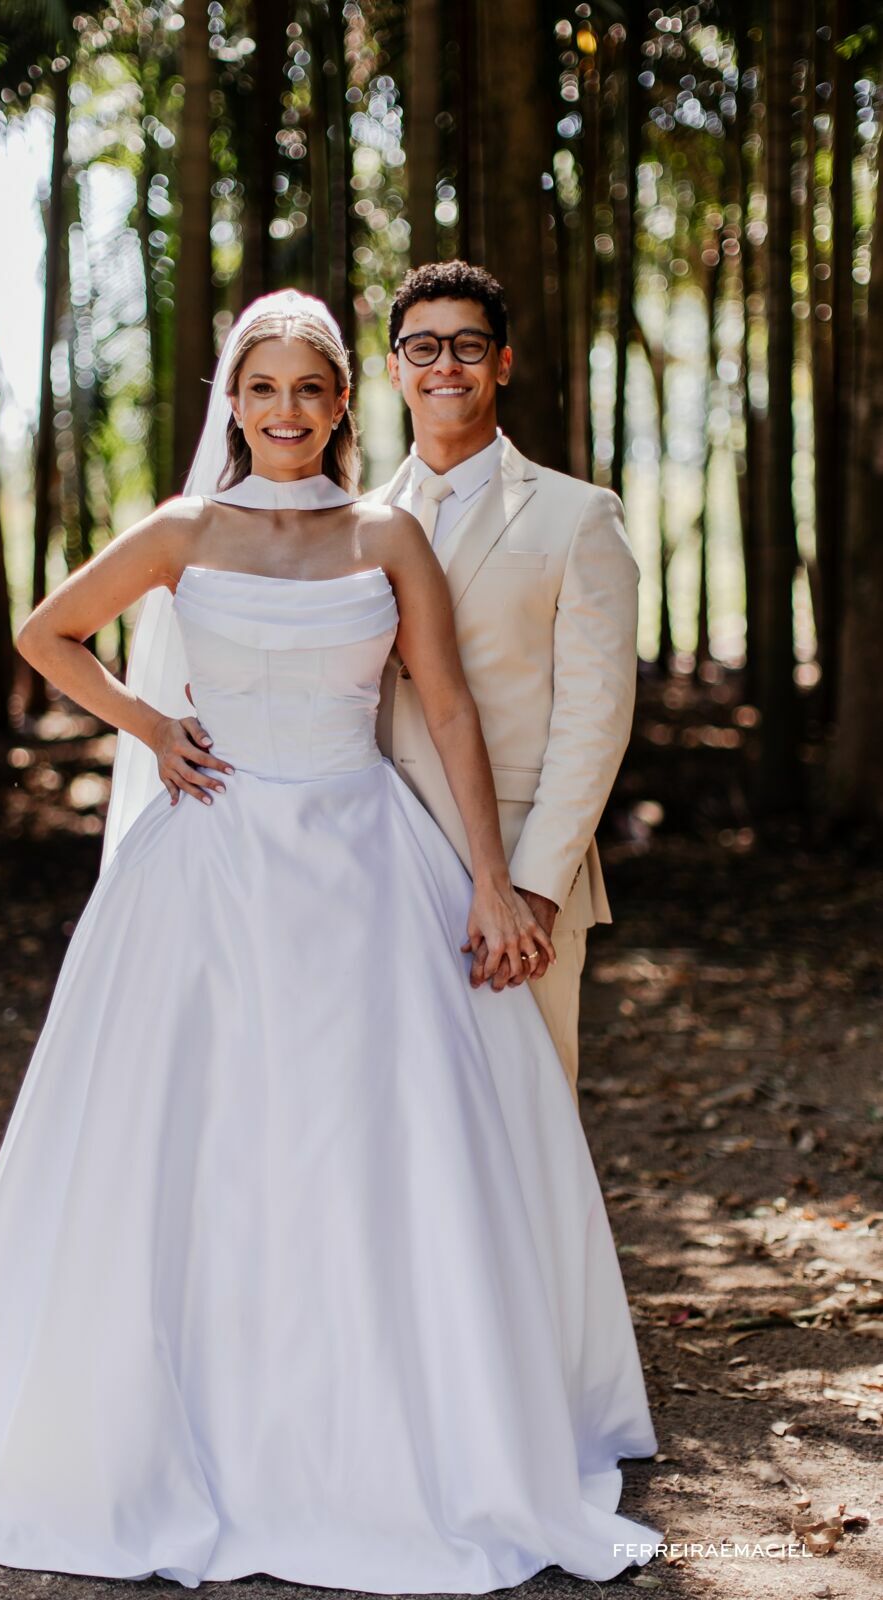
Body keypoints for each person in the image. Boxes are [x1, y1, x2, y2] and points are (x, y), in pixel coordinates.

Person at [0, 290, 660, 1591]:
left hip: (361, 855)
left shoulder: (384, 532)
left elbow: (451, 716)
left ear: (344, 403)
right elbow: (43, 634)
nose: (284, 411)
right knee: (190, 1128)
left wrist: (484, 879)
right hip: (212, 865)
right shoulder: (184, 528)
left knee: (365, 1132)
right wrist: (148, 723)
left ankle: (383, 1409)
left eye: (309, 388)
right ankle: (180, 1401)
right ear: (229, 402)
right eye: (261, 388)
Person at [365, 261, 640, 1105]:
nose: (444, 364)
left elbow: (596, 719)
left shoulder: (576, 515)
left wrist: (535, 887)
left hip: (521, 868)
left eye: (467, 345)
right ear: (394, 368)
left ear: (503, 362)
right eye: (423, 346)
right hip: (376, 864)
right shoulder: (353, 522)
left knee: (526, 1118)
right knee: (398, 1124)